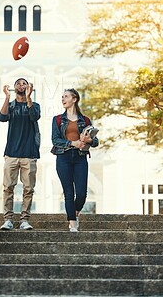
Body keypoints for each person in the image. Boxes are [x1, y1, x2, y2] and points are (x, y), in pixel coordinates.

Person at [51, 88, 99, 232]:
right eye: (62, 97)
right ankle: (72, 224)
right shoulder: (58, 119)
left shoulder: (85, 120)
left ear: (74, 99)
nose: (63, 99)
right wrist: (73, 143)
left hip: (80, 158)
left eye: (66, 96)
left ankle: (74, 213)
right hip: (63, 157)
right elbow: (55, 140)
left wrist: (89, 139)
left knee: (82, 193)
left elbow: (95, 142)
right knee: (68, 192)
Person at [0, 78, 41, 230]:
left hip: (29, 153)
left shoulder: (34, 105)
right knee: (8, 187)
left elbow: (34, 116)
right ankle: (8, 219)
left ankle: (24, 220)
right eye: (18, 83)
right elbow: (2, 117)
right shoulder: (11, 106)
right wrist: (6, 97)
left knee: (28, 188)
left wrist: (28, 97)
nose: (21, 85)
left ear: (29, 87)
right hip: (11, 153)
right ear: (14, 87)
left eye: (24, 83)